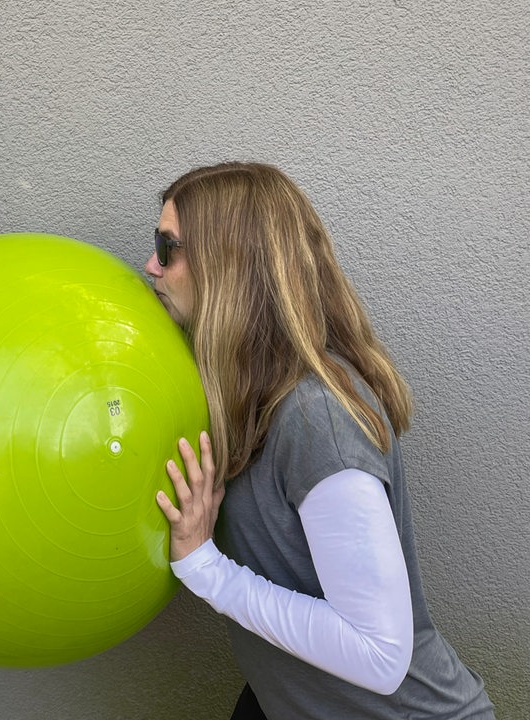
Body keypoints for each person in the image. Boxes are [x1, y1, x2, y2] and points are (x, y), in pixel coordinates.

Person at [147, 162, 495, 719]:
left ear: (230, 266)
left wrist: (204, 567)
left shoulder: (316, 418)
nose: (151, 266)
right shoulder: (241, 392)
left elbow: (378, 653)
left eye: (169, 248)